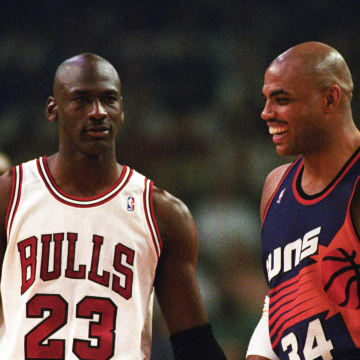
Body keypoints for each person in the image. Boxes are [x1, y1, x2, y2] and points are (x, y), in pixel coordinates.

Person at [0, 53, 227, 360]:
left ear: (122, 110)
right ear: (53, 110)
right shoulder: (10, 195)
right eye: (81, 100)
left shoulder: (162, 213)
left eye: (108, 100)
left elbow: (195, 344)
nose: (98, 112)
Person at [246, 41, 360, 360]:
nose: (266, 113)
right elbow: (278, 299)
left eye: (281, 100)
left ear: (330, 99)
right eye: (266, 99)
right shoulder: (275, 185)